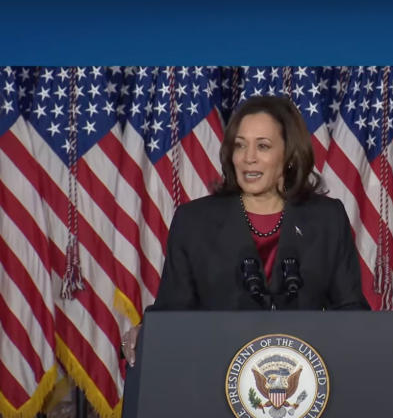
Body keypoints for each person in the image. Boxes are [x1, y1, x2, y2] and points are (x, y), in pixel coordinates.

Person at [121, 95, 369, 364]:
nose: (248, 158)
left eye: (263, 146)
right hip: (214, 375)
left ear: (288, 154)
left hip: (304, 378)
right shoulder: (194, 221)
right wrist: (147, 332)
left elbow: (350, 310)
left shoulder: (326, 218)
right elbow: (173, 311)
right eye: (240, 146)